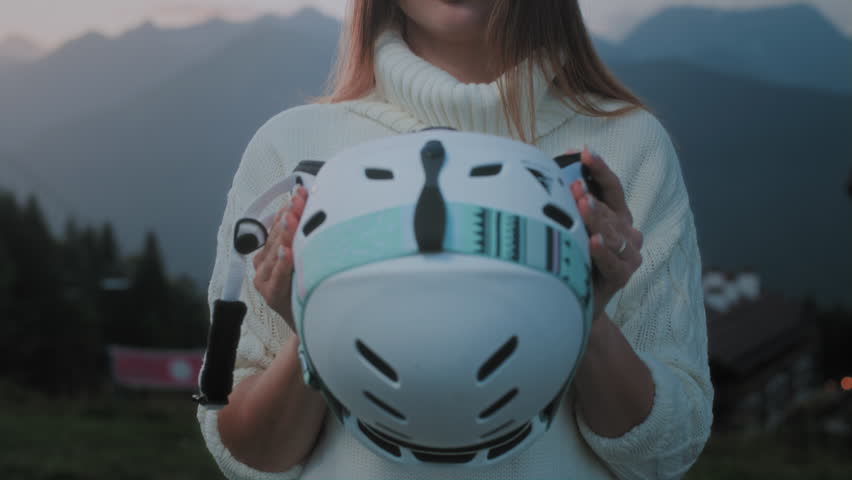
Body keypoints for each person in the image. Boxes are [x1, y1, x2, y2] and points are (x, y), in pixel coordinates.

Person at [196, 1, 714, 479]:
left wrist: (584, 316)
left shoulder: (627, 144)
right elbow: (246, 455)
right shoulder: (290, 146)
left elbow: (667, 451)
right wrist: (313, 329)